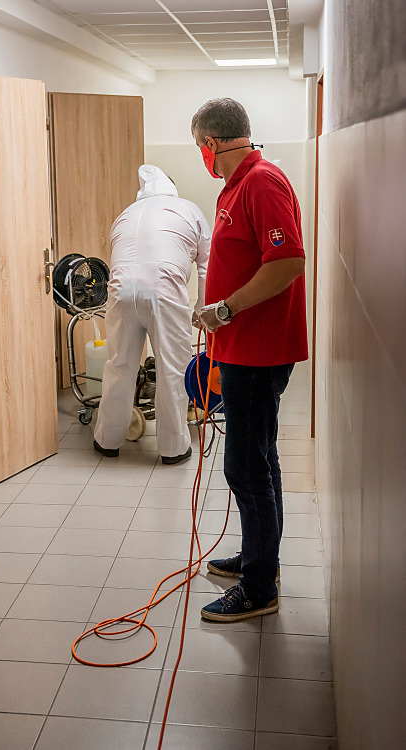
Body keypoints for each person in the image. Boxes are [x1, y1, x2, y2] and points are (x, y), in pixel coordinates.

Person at [191, 98, 308, 622]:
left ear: (210, 143)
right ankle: (261, 559)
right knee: (261, 457)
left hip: (259, 353)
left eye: (201, 147)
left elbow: (288, 262)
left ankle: (258, 589)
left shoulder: (261, 183)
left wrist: (224, 309)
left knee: (244, 465)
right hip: (241, 348)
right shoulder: (236, 185)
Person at [93, 164, 211, 464]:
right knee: (173, 369)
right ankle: (173, 448)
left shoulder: (125, 214)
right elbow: (208, 265)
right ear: (172, 189)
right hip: (163, 292)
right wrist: (202, 309)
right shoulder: (189, 209)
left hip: (120, 292)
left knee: (119, 365)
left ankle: (107, 440)